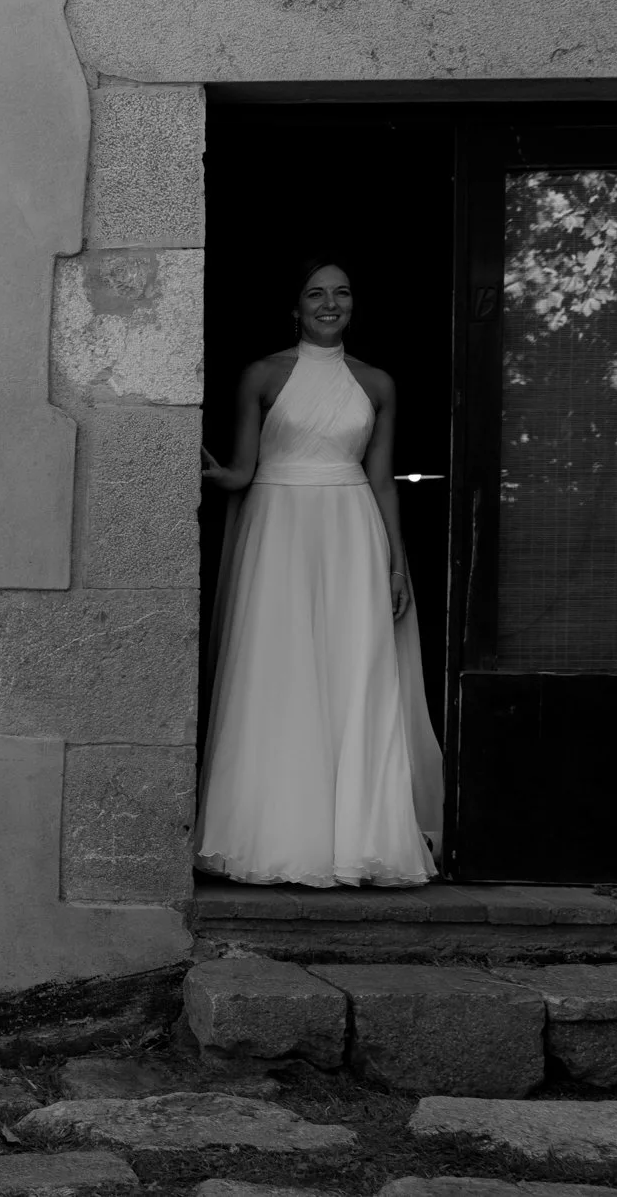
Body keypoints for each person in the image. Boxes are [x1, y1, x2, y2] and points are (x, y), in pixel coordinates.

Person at [195, 260, 442, 886]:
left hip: (351, 528)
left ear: (354, 305)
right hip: (278, 527)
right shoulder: (263, 374)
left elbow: (383, 479)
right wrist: (205, 470)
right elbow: (245, 471)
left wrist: (397, 561)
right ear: (296, 307)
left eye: (342, 293)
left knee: (351, 669)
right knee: (277, 669)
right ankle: (276, 834)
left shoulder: (378, 383)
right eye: (316, 293)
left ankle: (357, 839)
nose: (330, 303)